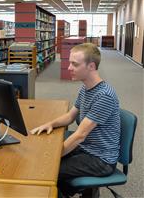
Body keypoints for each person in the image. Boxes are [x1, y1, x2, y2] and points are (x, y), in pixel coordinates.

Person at [30, 43, 120, 197]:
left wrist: (52, 157)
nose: (69, 68)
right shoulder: (86, 88)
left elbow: (80, 135)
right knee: (46, 161)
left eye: (75, 64)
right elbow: (70, 116)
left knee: (47, 171)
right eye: (69, 63)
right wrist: (50, 123)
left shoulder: (104, 96)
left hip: (101, 159)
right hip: (87, 148)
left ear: (91, 66)